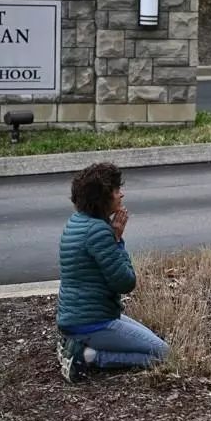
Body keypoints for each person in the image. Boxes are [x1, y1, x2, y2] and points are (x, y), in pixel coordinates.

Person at [55, 162, 169, 382]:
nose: (121, 194)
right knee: (163, 354)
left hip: (79, 317)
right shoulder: (98, 231)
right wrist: (117, 238)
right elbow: (125, 283)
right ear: (102, 198)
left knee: (157, 340)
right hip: (92, 322)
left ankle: (73, 344)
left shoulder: (77, 222)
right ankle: (88, 356)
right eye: (116, 190)